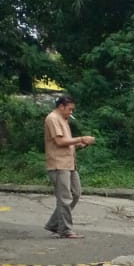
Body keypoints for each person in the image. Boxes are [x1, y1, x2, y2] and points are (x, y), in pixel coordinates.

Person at [43, 95, 94, 239]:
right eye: (69, 109)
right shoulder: (52, 118)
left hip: (69, 163)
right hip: (58, 164)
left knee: (76, 193)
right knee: (64, 197)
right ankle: (65, 230)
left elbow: (65, 142)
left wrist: (78, 144)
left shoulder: (63, 119)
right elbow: (59, 142)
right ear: (61, 106)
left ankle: (54, 224)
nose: (71, 112)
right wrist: (81, 138)